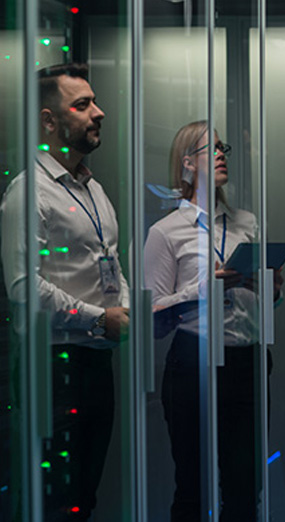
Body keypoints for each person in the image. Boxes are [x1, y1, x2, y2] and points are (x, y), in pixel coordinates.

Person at [0, 63, 129, 521]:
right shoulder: (27, 192)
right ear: (49, 121)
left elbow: (111, 263)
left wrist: (126, 306)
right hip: (51, 367)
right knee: (51, 501)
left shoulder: (93, 190)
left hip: (95, 361)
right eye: (82, 105)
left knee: (83, 499)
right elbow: (22, 287)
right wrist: (98, 316)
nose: (99, 112)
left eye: (94, 101)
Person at [144, 121, 279, 522]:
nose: (222, 154)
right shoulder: (166, 232)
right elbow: (151, 318)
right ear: (187, 164)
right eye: (211, 148)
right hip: (193, 365)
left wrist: (271, 287)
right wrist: (202, 290)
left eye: (224, 147)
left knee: (243, 490)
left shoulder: (246, 223)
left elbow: (267, 299)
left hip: (248, 361)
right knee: (192, 487)